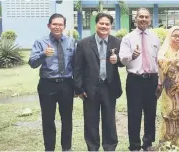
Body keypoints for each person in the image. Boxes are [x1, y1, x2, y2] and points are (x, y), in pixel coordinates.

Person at [73, 13, 123, 151]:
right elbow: (77, 68)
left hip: (109, 87)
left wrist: (118, 60)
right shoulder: (84, 43)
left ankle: (110, 146)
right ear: (96, 24)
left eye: (107, 24)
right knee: (91, 121)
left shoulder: (117, 42)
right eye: (101, 23)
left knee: (109, 120)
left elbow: (123, 63)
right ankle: (93, 147)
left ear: (111, 26)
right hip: (90, 88)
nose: (104, 26)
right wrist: (78, 88)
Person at [28, 13, 75, 151]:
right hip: (47, 84)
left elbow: (76, 64)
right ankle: (49, 149)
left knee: (67, 119)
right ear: (49, 25)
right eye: (54, 24)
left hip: (66, 84)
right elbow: (32, 63)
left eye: (60, 24)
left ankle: (66, 148)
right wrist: (43, 54)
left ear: (64, 26)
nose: (57, 27)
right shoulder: (40, 42)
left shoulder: (71, 42)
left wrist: (78, 86)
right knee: (48, 120)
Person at [119, 8, 161, 151]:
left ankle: (148, 143)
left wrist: (160, 81)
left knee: (151, 113)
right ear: (135, 19)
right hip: (135, 81)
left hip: (152, 80)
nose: (143, 19)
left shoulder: (155, 37)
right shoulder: (128, 38)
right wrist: (132, 55)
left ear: (149, 19)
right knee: (134, 114)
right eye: (140, 17)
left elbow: (159, 61)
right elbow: (122, 60)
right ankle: (135, 145)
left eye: (146, 17)